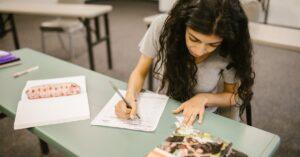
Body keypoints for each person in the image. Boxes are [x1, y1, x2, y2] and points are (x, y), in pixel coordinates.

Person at [115, 0, 255, 126]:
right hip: (163, 109)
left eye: (213, 45)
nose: (200, 51)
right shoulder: (163, 28)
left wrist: (204, 98)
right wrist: (130, 95)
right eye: (194, 39)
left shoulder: (229, 47)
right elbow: (140, 72)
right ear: (182, 24)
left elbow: (234, 96)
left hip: (204, 118)